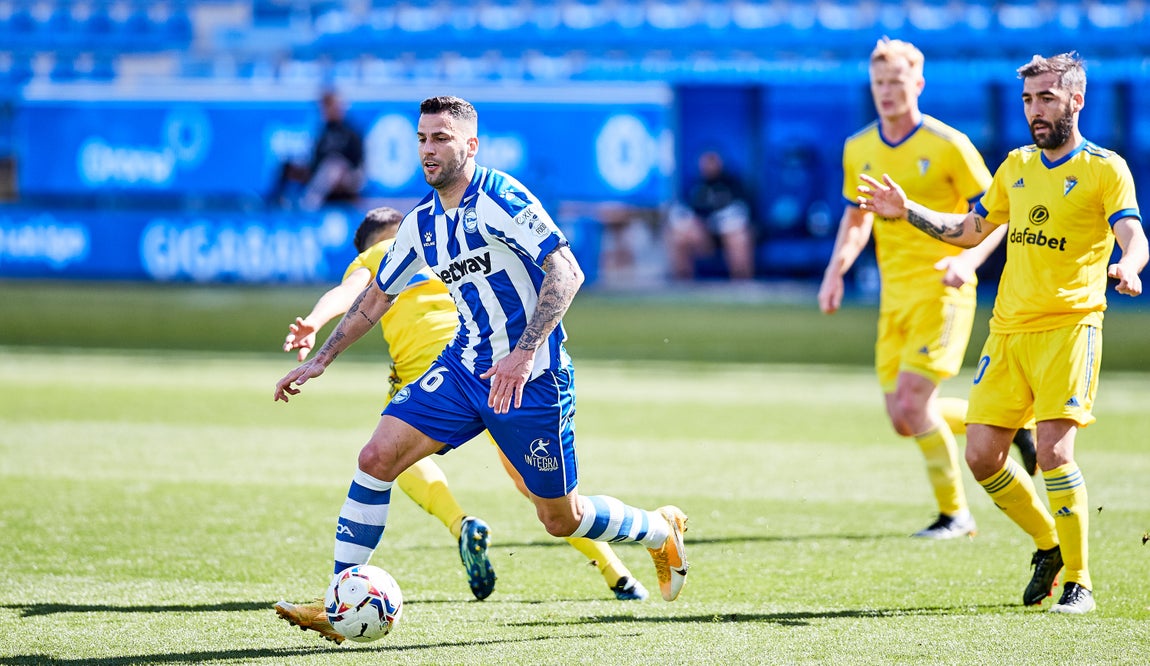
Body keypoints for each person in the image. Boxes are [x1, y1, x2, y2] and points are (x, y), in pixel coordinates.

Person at [272, 96, 688, 644]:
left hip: (532, 380)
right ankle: (340, 598)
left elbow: (567, 272)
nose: (428, 149)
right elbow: (375, 296)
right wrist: (322, 359)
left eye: (441, 138)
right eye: (422, 138)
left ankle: (660, 531)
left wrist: (523, 350)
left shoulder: (502, 198)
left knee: (560, 518)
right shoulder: (421, 224)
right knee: (375, 458)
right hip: (464, 371)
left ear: (470, 145)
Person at [858, 52, 1147, 614]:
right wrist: (906, 208)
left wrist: (1130, 265)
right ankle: (1049, 545)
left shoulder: (1105, 168)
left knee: (1054, 451)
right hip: (1008, 332)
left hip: (1070, 328)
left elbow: (1133, 233)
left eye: (1046, 98)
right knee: (983, 457)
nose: (1034, 111)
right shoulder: (1015, 165)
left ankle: (1079, 583)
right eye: (1027, 100)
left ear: (1075, 100)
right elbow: (970, 231)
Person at [819, 38, 1038, 541]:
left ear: (917, 84)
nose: (887, 93)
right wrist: (835, 272)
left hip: (945, 291)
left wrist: (967, 258)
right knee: (902, 416)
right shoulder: (859, 147)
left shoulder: (948, 144)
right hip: (893, 297)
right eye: (879, 84)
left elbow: (998, 215)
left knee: (914, 404)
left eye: (896, 83)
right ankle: (1012, 427)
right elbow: (856, 218)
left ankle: (955, 515)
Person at [269, 89, 365, 211]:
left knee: (333, 166)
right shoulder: (322, 132)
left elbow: (358, 165)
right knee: (287, 165)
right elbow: (315, 159)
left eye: (329, 106)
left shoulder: (350, 132)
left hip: (346, 177)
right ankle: (277, 204)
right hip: (321, 174)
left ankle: (309, 204)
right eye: (324, 107)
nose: (326, 111)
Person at [666, 150, 756, 281]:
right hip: (703, 233)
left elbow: (742, 213)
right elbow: (682, 212)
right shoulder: (696, 186)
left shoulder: (733, 184)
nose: (709, 167)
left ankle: (742, 283)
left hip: (729, 230)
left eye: (712, 162)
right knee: (678, 237)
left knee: (738, 238)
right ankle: (683, 284)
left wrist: (721, 223)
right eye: (705, 163)